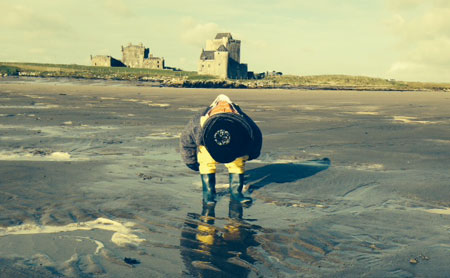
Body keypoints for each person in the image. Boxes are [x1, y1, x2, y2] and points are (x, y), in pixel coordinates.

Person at [180, 94, 262, 205]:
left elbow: (255, 136)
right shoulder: (197, 122)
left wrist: (250, 154)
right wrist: (191, 162)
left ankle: (236, 193)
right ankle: (208, 194)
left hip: (235, 144)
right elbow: (186, 140)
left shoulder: (242, 120)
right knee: (206, 163)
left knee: (236, 163)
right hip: (207, 147)